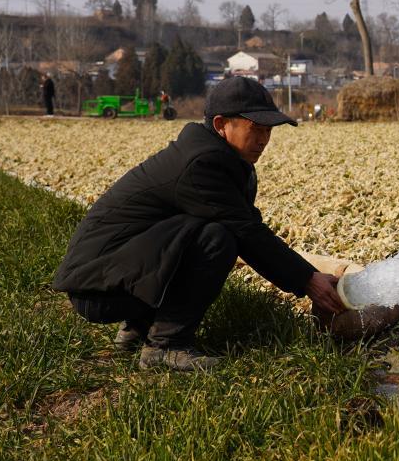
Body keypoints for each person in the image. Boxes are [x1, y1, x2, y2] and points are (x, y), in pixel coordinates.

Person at [53, 76, 351, 371]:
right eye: (255, 129)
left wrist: (304, 277)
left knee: (203, 231)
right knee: (217, 238)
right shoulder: (202, 164)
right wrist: (309, 280)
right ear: (221, 125)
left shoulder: (226, 159)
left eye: (268, 131)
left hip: (108, 277)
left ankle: (140, 328)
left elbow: (243, 223)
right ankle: (166, 344)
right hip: (97, 290)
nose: (263, 140)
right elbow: (247, 232)